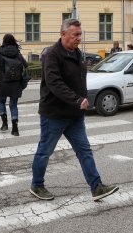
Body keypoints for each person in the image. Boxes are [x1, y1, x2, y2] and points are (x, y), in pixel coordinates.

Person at [30, 19, 119, 202]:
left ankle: (97, 187)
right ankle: (37, 185)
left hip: (74, 116)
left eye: (80, 34)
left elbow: (79, 81)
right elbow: (55, 83)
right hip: (54, 115)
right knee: (44, 151)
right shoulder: (52, 55)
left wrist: (82, 100)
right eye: (75, 35)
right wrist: (77, 100)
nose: (79, 38)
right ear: (63, 34)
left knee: (85, 151)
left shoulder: (77, 53)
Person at [0, 33, 28, 136]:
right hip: (16, 83)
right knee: (13, 105)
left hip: (3, 82)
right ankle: (15, 129)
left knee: (1, 101)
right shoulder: (17, 52)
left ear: (4, 41)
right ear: (13, 41)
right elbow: (25, 65)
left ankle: (4, 124)